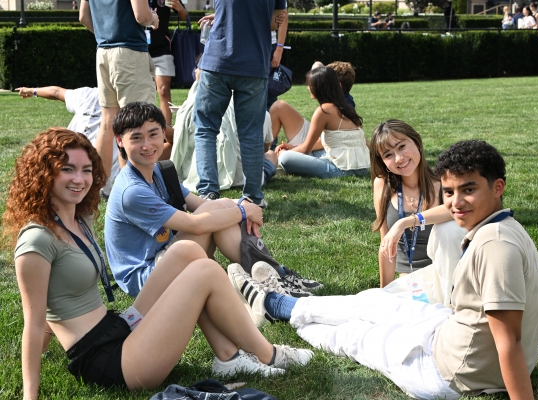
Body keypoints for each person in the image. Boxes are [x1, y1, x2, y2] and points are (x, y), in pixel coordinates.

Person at [229, 139, 538, 399]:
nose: (456, 202)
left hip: (448, 372)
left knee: (354, 337)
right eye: (450, 191)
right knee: (373, 303)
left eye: (468, 190)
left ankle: (281, 312)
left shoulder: (495, 247)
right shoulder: (506, 226)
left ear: (498, 187)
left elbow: (510, 343)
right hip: (450, 333)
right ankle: (277, 303)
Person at [3, 128, 314, 399]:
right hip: (108, 362)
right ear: (45, 174)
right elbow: (34, 320)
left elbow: (55, 306)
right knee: (205, 270)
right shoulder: (37, 240)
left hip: (116, 328)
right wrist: (31, 396)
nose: (80, 179)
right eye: (67, 169)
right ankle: (269, 355)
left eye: (86, 170)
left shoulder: (74, 219)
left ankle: (228, 356)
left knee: (187, 253)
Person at [105, 102, 321, 298]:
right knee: (218, 215)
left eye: (153, 134)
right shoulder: (131, 191)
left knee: (221, 207)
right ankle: (275, 278)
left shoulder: (159, 171)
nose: (147, 144)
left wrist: (241, 205)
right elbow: (195, 225)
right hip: (146, 280)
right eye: (136, 138)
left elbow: (200, 204)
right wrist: (244, 212)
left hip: (165, 258)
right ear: (119, 141)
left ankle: (275, 275)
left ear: (163, 133)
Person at [193, 0, 286, 205]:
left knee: (205, 129)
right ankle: (252, 197)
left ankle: (208, 193)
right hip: (253, 65)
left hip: (217, 61)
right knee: (251, 134)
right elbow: (273, 23)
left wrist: (222, 18)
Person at [170, 62, 279, 193]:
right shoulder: (261, 113)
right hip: (246, 180)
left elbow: (176, 139)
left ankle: (209, 188)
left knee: (201, 138)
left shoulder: (198, 108)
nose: (195, 72)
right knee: (271, 155)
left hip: (208, 177)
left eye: (198, 68)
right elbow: (262, 150)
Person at [79, 0, 157, 180]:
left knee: (107, 122)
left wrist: (106, 36)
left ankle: (97, 189)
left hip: (103, 51)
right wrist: (153, 18)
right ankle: (133, 187)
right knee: (139, 121)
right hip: (130, 53)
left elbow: (83, 17)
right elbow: (142, 15)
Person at [370, 120, 443, 286]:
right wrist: (385, 291)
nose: (399, 158)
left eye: (401, 146)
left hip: (444, 274)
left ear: (417, 143)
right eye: (388, 155)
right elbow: (386, 245)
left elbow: (453, 210)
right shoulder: (382, 185)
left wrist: (406, 222)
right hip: (410, 280)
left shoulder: (443, 182)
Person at [15, 85, 119, 197]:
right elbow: (55, 92)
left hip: (63, 160)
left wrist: (31, 91)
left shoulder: (89, 95)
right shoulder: (132, 102)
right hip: (94, 178)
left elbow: (56, 92)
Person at [273, 66, 370, 179]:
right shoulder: (346, 107)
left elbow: (305, 149)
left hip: (342, 169)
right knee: (298, 154)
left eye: (311, 85)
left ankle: (271, 160)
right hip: (360, 168)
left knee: (285, 158)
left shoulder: (324, 110)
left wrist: (280, 155)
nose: (308, 88)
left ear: (320, 87)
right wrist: (292, 147)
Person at [150, 0, 188, 129]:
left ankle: (166, 132)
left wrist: (178, 6)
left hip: (162, 49)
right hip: (138, 48)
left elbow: (184, 15)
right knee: (142, 93)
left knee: (164, 90)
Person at [267, 8, 288, 110]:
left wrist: (279, 49)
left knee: (269, 90)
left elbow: (283, 16)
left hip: (268, 46)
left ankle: (271, 125)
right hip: (243, 45)